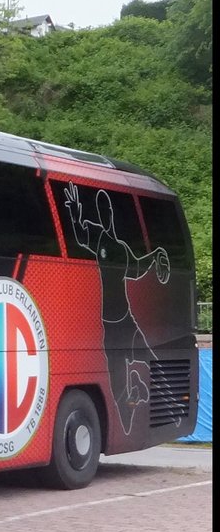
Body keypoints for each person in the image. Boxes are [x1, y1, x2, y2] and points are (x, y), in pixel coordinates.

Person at [63, 182, 171, 434]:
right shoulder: (98, 236)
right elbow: (78, 233)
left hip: (127, 320)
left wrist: (155, 256)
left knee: (152, 363)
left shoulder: (121, 249)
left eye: (106, 209)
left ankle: (168, 403)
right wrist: (72, 210)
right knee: (120, 401)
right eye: (101, 210)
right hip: (111, 326)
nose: (104, 214)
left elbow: (135, 269)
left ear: (110, 214)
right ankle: (134, 392)